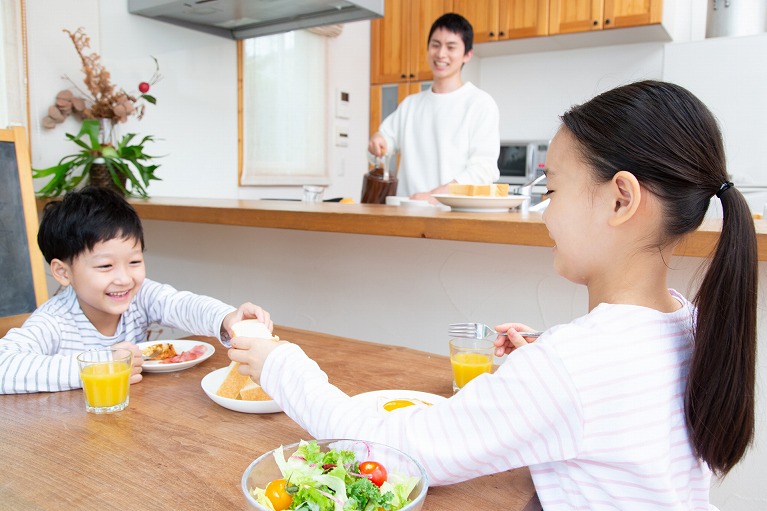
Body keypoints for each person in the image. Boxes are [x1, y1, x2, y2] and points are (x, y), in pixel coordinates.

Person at [229, 81, 757, 509]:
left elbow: (397, 452)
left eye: (550, 190)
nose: (544, 211)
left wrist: (280, 363)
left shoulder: (570, 369)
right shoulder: (688, 322)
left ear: (621, 199)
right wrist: (542, 362)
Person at [0, 186, 273, 394]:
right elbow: (4, 368)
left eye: (134, 262)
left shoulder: (139, 296)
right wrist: (103, 367)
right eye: (106, 266)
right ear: (63, 272)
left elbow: (181, 304)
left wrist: (227, 319)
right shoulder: (54, 321)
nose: (124, 278)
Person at [368, 13, 500, 201]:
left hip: (454, 217)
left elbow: (483, 170)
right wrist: (377, 142)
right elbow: (381, 147)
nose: (440, 54)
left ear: (467, 54)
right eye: (435, 45)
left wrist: (433, 196)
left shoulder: (480, 104)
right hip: (409, 214)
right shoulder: (410, 105)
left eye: (451, 47)